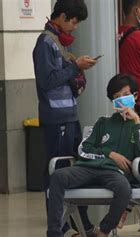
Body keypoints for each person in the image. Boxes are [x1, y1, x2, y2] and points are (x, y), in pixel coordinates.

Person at [46, 74, 140, 237]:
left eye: (125, 95)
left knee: (123, 188)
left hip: (116, 173)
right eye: (117, 97)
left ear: (135, 96)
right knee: (58, 177)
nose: (122, 100)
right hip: (87, 168)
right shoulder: (104, 123)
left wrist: (136, 123)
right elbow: (83, 148)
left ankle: (103, 231)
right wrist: (110, 154)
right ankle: (54, 233)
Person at [32, 0, 97, 236]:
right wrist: (74, 67)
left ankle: (80, 222)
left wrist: (76, 67)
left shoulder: (57, 42)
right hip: (55, 118)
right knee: (57, 171)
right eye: (74, 21)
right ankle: (59, 225)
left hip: (68, 115)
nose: (75, 27)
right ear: (61, 16)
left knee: (75, 168)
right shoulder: (46, 42)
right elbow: (47, 80)